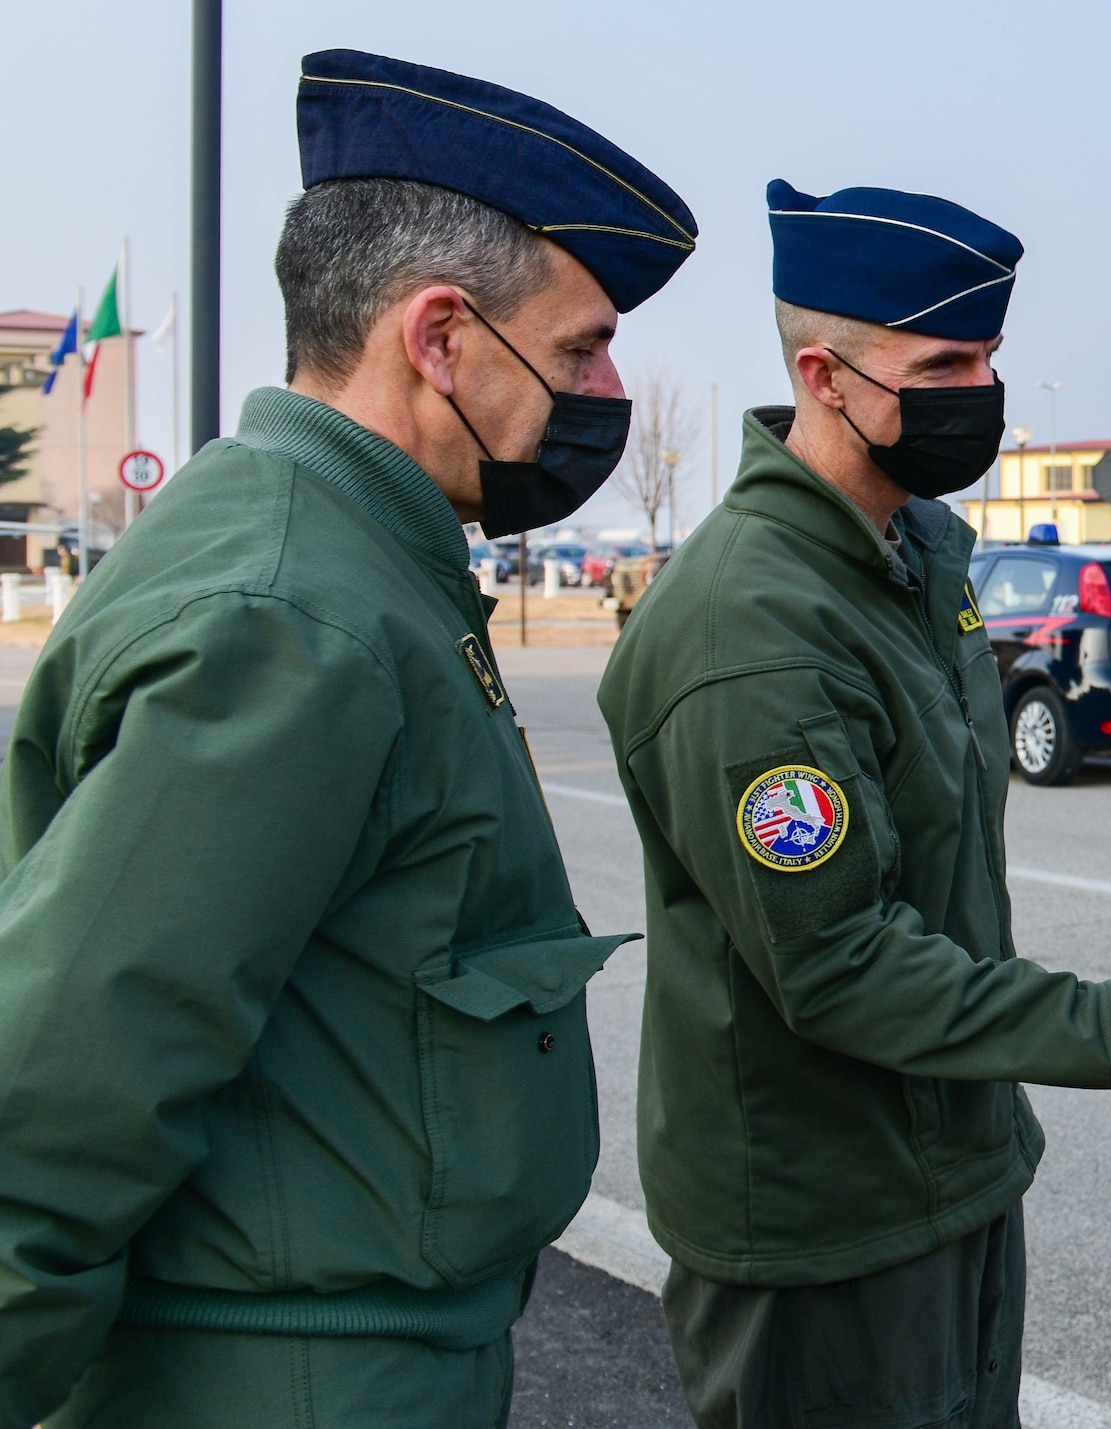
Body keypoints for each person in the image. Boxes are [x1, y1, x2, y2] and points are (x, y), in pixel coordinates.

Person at [0, 49, 697, 1428]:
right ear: (439, 338)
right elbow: (69, 1086)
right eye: (576, 345)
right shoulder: (298, 612)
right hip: (293, 1375)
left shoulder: (349, 556)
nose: (606, 386)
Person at [595, 179, 1111, 1429]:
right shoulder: (756, 622)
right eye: (943, 360)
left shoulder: (913, 558)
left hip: (944, 1170)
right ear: (824, 374)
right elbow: (841, 961)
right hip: (823, 1224)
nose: (978, 390)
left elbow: (932, 891)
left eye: (990, 357)